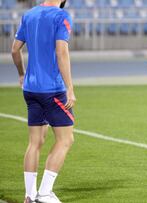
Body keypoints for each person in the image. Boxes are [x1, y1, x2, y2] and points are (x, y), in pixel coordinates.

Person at [11, 0, 75, 202]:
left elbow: (14, 50)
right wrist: (70, 88)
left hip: (31, 89)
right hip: (52, 90)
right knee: (66, 140)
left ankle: (29, 195)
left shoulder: (29, 15)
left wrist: (22, 74)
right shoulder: (61, 16)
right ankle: (45, 193)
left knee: (35, 143)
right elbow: (61, 52)